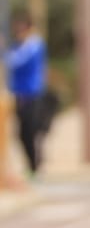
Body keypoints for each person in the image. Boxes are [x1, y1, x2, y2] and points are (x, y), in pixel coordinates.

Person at [4, 10, 48, 177]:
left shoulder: (34, 44)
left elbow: (16, 61)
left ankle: (35, 167)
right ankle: (32, 166)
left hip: (31, 94)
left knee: (30, 131)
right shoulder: (18, 45)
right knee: (22, 133)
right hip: (19, 94)